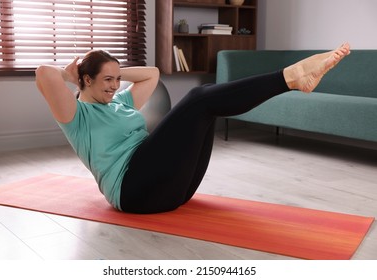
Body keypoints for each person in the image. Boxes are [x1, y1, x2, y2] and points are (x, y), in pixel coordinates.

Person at [35, 43, 351, 214]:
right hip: (135, 193)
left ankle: (292, 80)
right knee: (201, 98)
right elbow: (42, 73)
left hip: (173, 191)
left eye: (117, 80)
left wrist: (111, 70)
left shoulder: (121, 102)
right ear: (85, 81)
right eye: (107, 80)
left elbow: (152, 74)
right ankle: (290, 78)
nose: (115, 86)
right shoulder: (77, 115)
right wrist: (72, 74)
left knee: (209, 110)